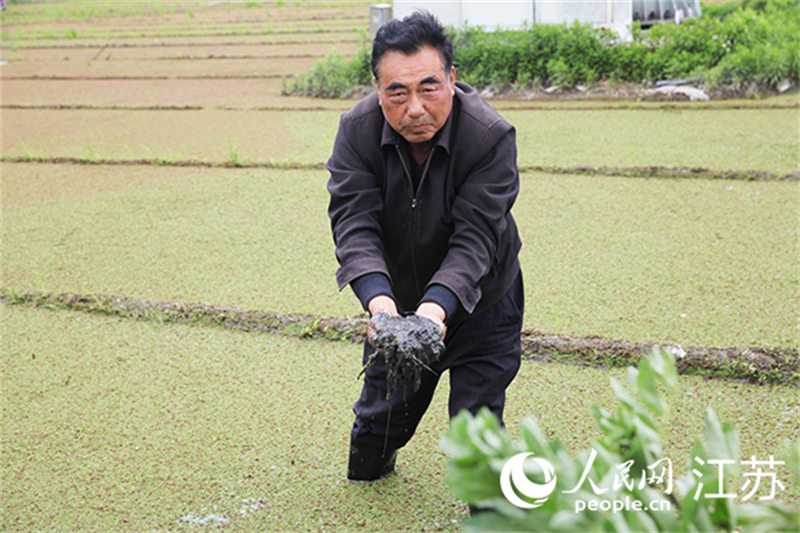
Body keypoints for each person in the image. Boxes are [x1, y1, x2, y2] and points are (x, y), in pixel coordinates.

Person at [327, 11, 524, 481]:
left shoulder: (489, 137)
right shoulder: (356, 131)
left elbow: (476, 237)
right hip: (395, 300)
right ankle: (375, 465)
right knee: (376, 428)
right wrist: (381, 306)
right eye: (397, 92)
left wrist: (434, 312)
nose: (415, 108)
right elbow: (354, 222)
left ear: (452, 80)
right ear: (378, 90)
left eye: (429, 88)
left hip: (482, 303)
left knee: (476, 434)